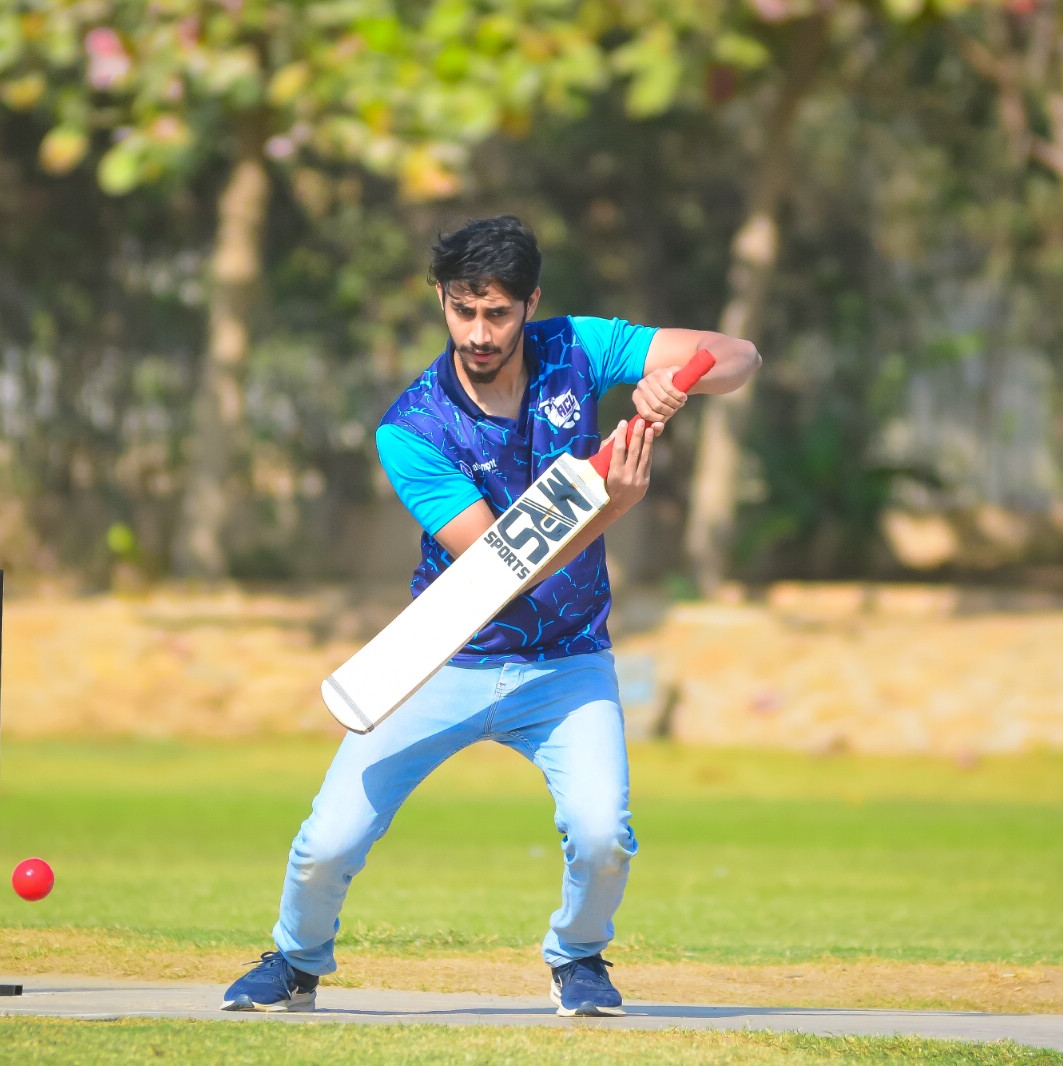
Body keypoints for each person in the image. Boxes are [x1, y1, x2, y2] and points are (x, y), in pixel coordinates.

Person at [222, 215, 761, 1017]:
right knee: (328, 842)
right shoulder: (412, 428)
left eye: (499, 313)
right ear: (442, 301)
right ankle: (295, 961)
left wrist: (678, 380)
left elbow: (740, 355)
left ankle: (578, 958)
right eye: (463, 310)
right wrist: (613, 504)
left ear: (530, 303)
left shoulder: (576, 347)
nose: (479, 333)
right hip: (443, 657)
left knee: (604, 837)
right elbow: (497, 570)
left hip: (568, 661)